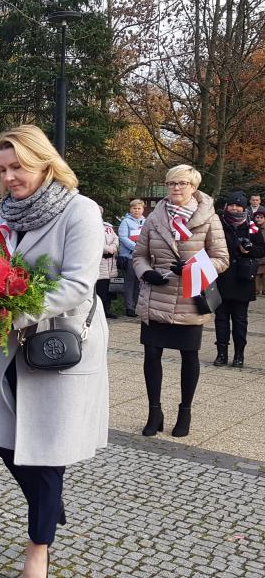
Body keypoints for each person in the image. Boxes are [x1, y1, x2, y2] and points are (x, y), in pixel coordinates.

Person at [0, 125, 109, 578]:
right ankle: (49, 508)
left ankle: (37, 549)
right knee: (7, 444)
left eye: (17, 166)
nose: (9, 177)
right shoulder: (7, 214)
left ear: (45, 162)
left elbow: (79, 283)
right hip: (17, 346)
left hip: (61, 344)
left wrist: (11, 314)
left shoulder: (80, 211)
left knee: (44, 453)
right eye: (3, 169)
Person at [133, 164, 228, 438]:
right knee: (151, 355)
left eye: (182, 184)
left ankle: (184, 411)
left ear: (193, 187)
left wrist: (190, 268)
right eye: (172, 183)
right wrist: (146, 272)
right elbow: (140, 255)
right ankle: (154, 412)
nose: (175, 188)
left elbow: (222, 259)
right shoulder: (154, 218)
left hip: (190, 297)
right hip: (157, 296)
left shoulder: (208, 218)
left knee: (189, 356)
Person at [213, 191, 265, 368]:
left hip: (243, 280)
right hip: (222, 277)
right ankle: (221, 353)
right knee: (221, 318)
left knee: (240, 320)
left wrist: (248, 251)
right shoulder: (219, 224)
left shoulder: (252, 227)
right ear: (226, 206)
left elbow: (261, 249)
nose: (234, 208)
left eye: (238, 205)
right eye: (231, 204)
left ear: (244, 207)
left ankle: (239, 354)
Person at [117, 199, 146, 317]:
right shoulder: (126, 222)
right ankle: (129, 307)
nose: (137, 210)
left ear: (142, 209)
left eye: (139, 208)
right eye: (134, 208)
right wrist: (136, 247)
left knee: (140, 282)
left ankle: (138, 305)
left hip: (143, 256)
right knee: (130, 282)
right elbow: (123, 237)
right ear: (130, 209)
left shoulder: (146, 221)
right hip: (130, 256)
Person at [97, 209, 119, 319]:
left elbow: (116, 238)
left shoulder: (107, 226)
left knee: (107, 290)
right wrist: (106, 249)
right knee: (99, 290)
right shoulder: (90, 224)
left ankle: (106, 310)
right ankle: (98, 313)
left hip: (110, 263)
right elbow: (93, 241)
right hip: (99, 262)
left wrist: (113, 248)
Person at [254, 210, 265, 295]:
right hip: (256, 255)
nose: (259, 219)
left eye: (261, 217)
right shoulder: (252, 228)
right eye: (257, 217)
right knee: (257, 275)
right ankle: (257, 290)